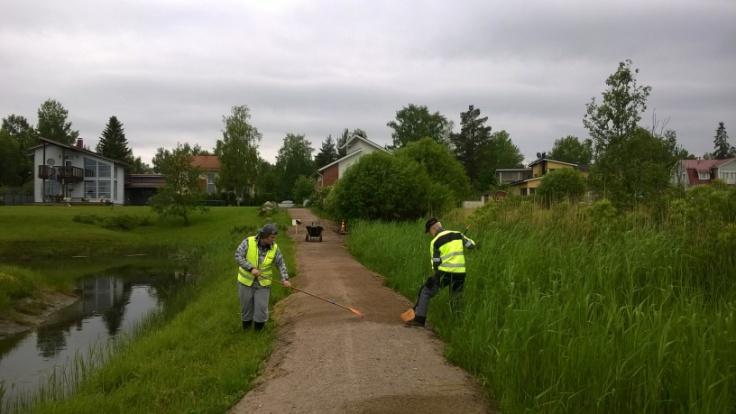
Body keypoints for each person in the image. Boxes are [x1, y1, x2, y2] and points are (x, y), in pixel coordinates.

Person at [406, 217, 475, 327]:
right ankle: (456, 323)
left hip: (445, 273)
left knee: (425, 291)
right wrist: (462, 239)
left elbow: (436, 263)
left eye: (429, 232)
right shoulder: (458, 234)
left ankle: (419, 320)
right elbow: (471, 245)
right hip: (461, 273)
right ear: (440, 225)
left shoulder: (435, 241)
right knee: (455, 297)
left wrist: (435, 277)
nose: (430, 234)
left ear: (433, 229)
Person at [235, 223, 291, 331]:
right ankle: (246, 332)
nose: (273, 240)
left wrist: (285, 279)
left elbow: (280, 263)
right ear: (264, 236)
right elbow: (238, 256)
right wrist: (251, 268)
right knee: (246, 309)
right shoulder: (248, 242)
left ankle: (258, 334)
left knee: (261, 310)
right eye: (272, 237)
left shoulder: (274, 247)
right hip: (245, 282)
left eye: (274, 237)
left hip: (263, 284)